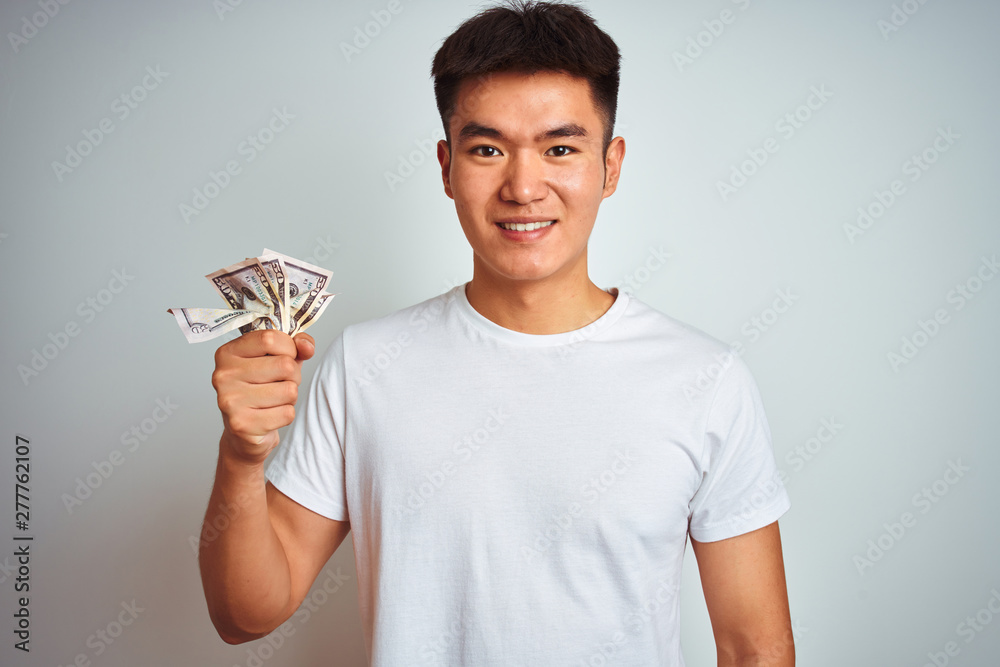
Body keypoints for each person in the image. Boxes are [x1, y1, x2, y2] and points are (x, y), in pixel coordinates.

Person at [199, 2, 794, 665]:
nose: (523, 185)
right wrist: (241, 458)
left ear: (612, 164)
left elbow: (754, 648)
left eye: (560, 148)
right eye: (488, 149)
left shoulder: (705, 381)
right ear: (447, 166)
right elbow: (244, 614)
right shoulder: (365, 365)